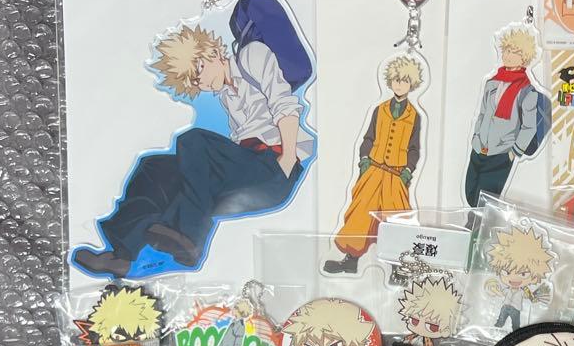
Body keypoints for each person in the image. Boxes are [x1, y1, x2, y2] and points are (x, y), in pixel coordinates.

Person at [73, 16, 309, 278]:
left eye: (198, 72)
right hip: (247, 169)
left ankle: (189, 236)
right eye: (193, 82)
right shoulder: (227, 96)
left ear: (213, 53)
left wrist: (288, 158)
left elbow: (284, 104)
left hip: (275, 167)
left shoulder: (252, 55)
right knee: (156, 167)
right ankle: (123, 254)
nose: (200, 83)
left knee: (193, 140)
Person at [325, 55, 424, 275]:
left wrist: (407, 171)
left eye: (405, 81)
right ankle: (351, 260)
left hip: (396, 175)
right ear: (390, 81)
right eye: (396, 80)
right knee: (360, 213)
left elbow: (414, 148)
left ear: (412, 84)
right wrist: (364, 161)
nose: (400, 85)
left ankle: (398, 266)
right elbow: (369, 138)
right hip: (374, 170)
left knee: (396, 218)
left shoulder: (414, 116)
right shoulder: (380, 109)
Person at [465, 24, 545, 207]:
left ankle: (476, 224)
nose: (508, 55)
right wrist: (476, 137)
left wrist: (513, 152)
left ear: (524, 58)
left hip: (501, 154)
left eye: (514, 52)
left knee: (483, 202)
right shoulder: (491, 83)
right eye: (506, 50)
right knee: (469, 193)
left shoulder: (527, 91)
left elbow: (529, 127)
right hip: (479, 149)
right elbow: (482, 114)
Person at [485, 224, 555, 331]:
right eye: (507, 272)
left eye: (523, 274)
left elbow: (530, 297)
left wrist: (534, 297)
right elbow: (501, 293)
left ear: (534, 277)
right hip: (505, 307)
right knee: (500, 322)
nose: (514, 278)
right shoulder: (506, 289)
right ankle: (497, 328)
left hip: (516, 309)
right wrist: (494, 289)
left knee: (516, 326)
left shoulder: (524, 290)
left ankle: (515, 334)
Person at [397, 276, 463, 346]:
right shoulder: (409, 338)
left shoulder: (429, 345)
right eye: (414, 321)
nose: (420, 327)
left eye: (432, 327)